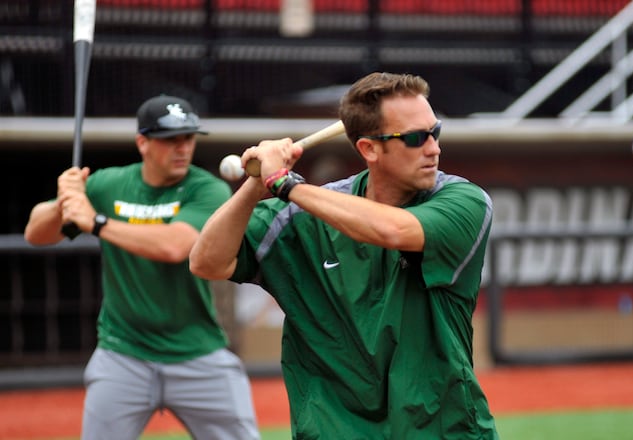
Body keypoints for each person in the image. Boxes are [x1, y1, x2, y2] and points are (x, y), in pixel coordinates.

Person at [190, 72, 499, 438]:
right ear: (369, 149)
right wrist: (255, 185)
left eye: (436, 132)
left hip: (440, 428)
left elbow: (392, 230)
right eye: (416, 138)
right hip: (335, 428)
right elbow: (206, 261)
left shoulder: (464, 202)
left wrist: (284, 183)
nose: (433, 148)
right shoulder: (299, 218)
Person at [24, 95, 260, 439]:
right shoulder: (111, 183)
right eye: (170, 140)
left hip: (197, 352)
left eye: (188, 138)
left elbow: (175, 246)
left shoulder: (207, 189)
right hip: (123, 353)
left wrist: (96, 222)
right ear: (143, 143)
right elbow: (35, 233)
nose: (182, 148)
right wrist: (64, 201)